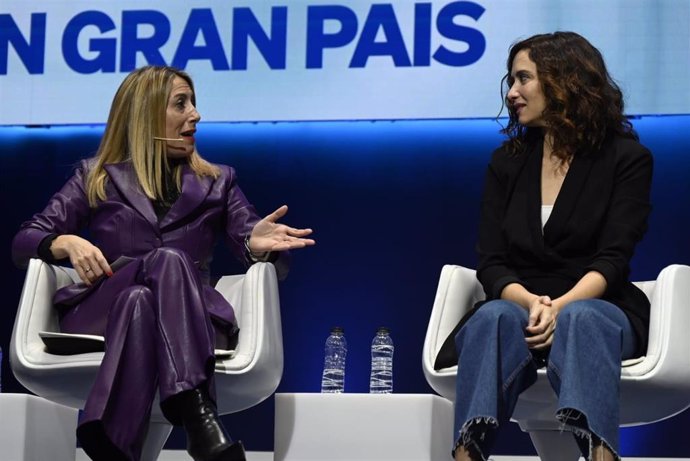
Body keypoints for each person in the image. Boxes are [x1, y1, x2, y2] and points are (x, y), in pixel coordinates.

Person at [11, 65, 315, 461]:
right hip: (99, 311)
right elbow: (24, 241)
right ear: (146, 113)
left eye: (194, 102)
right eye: (180, 103)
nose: (196, 114)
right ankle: (196, 414)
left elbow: (262, 249)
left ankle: (113, 442)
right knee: (164, 262)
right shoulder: (96, 176)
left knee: (139, 300)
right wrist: (64, 241)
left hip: (191, 322)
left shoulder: (219, 181)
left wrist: (258, 247)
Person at [441, 32, 653, 461]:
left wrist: (561, 307)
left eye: (523, 79)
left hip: (599, 306)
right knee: (492, 316)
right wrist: (534, 304)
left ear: (565, 81)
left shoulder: (627, 159)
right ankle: (466, 452)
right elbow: (493, 262)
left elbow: (613, 259)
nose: (512, 92)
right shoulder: (506, 163)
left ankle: (601, 454)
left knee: (582, 318)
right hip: (522, 307)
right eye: (511, 80)